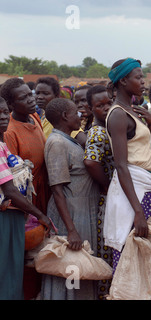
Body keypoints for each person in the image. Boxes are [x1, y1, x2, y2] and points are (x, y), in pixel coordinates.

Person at [103, 58, 151, 273]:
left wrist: (150, 123)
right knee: (131, 259)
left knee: (142, 258)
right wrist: (138, 211)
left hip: (142, 188)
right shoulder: (119, 114)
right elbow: (121, 166)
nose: (143, 81)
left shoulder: (131, 110)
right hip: (133, 194)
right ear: (123, 81)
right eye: (138, 77)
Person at [40, 98, 100, 300]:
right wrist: (71, 230)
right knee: (70, 269)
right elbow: (57, 190)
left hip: (80, 212)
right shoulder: (56, 143)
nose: (80, 115)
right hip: (70, 216)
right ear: (65, 116)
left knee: (79, 266)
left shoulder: (68, 140)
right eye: (76, 112)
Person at [0, 77, 52, 299]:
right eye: (24, 98)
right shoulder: (9, 133)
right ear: (12, 105)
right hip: (19, 205)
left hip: (39, 195)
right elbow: (12, 183)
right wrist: (37, 213)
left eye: (30, 94)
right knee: (17, 259)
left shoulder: (34, 118)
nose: (32, 100)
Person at [83, 85, 114, 299]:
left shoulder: (111, 127)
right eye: (99, 105)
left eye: (108, 103)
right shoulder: (98, 131)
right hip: (107, 199)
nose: (105, 108)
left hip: (114, 197)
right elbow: (91, 162)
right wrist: (107, 185)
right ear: (90, 108)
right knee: (107, 251)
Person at [35, 77, 86, 146]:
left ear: (56, 96)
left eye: (45, 93)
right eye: (37, 93)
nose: (40, 97)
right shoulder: (44, 115)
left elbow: (82, 140)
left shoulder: (59, 118)